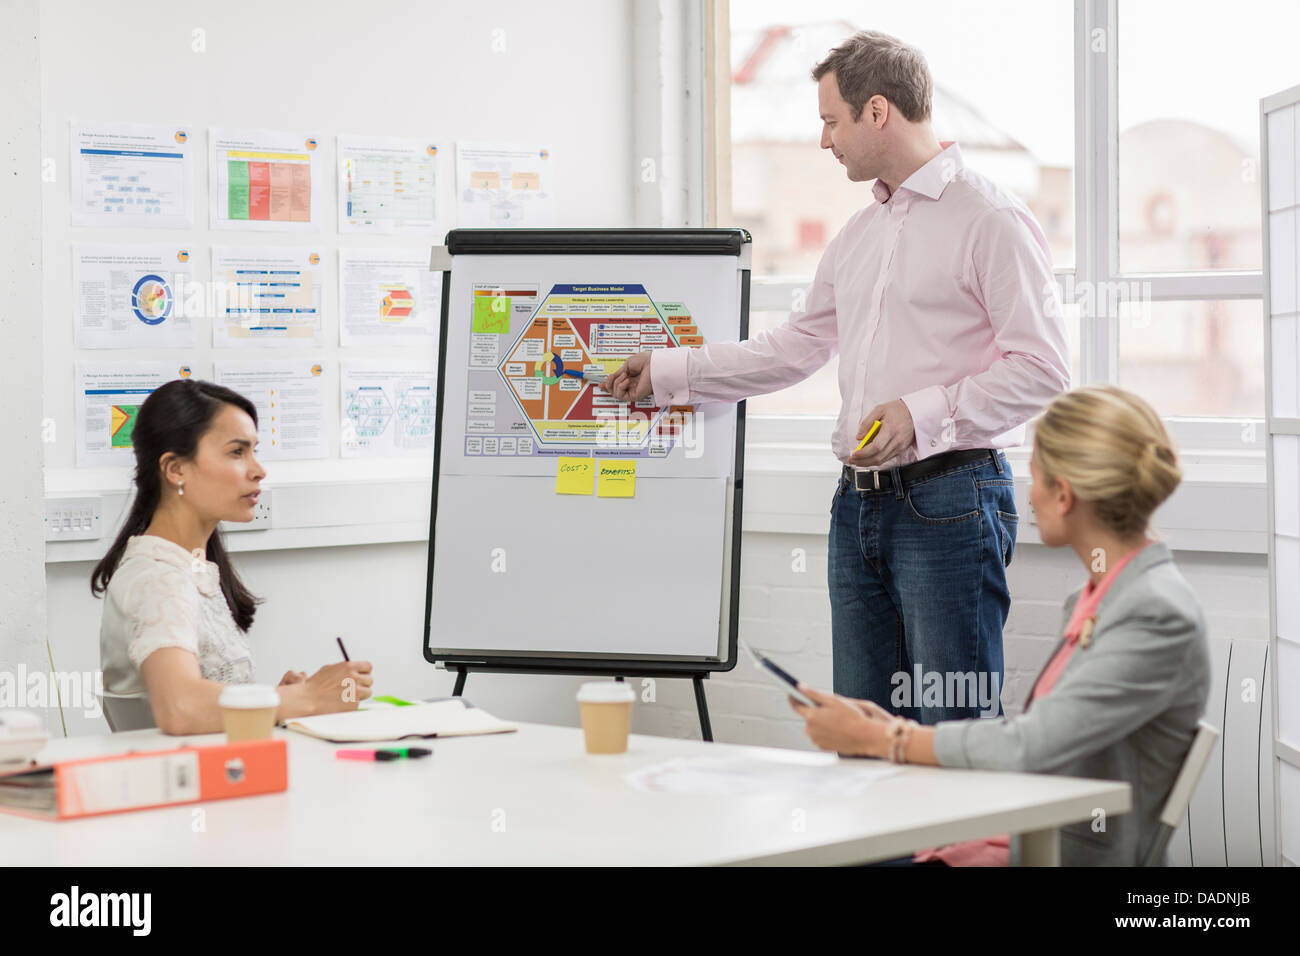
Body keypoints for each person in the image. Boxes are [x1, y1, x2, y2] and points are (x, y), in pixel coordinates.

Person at [605, 30, 1069, 722]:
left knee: (955, 730)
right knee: (859, 733)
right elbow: (794, 347)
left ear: (877, 112)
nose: (825, 141)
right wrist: (669, 369)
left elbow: (1044, 369)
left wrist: (922, 410)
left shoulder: (990, 219)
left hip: (951, 502)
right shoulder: (858, 236)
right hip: (857, 508)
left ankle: (960, 842)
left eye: (831, 121)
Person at [789, 385, 1211, 866]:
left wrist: (884, 740)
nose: (1026, 496)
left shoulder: (1153, 612)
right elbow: (1046, 739)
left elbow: (1031, 747)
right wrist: (892, 729)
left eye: (1033, 477)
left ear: (1064, 493)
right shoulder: (1101, 597)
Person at [92, 379, 373, 734]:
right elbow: (180, 708)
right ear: (176, 469)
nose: (258, 469)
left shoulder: (182, 567)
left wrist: (276, 699)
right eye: (237, 452)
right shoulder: (160, 578)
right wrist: (308, 697)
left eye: (254, 451)